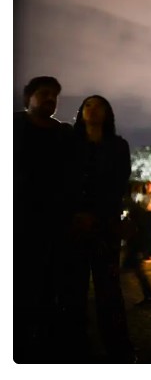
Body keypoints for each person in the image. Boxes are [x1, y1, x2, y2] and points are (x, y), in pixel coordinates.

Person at [61, 95, 135, 362]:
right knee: (73, 288)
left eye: (99, 105)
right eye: (88, 105)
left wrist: (109, 217)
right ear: (81, 112)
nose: (92, 110)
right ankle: (75, 346)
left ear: (108, 113)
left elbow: (118, 184)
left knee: (109, 289)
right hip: (74, 225)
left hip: (106, 226)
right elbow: (62, 182)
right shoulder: (69, 143)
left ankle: (118, 348)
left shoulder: (118, 146)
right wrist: (75, 213)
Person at [13, 76, 73, 362]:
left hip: (56, 222)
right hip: (19, 220)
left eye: (54, 95)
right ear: (29, 98)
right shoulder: (13, 127)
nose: (50, 99)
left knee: (53, 284)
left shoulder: (64, 134)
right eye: (44, 93)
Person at [122, 182, 151, 308]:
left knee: (134, 271)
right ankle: (148, 296)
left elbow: (140, 228)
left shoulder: (134, 207)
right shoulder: (134, 206)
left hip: (136, 244)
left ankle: (147, 296)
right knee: (135, 271)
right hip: (136, 243)